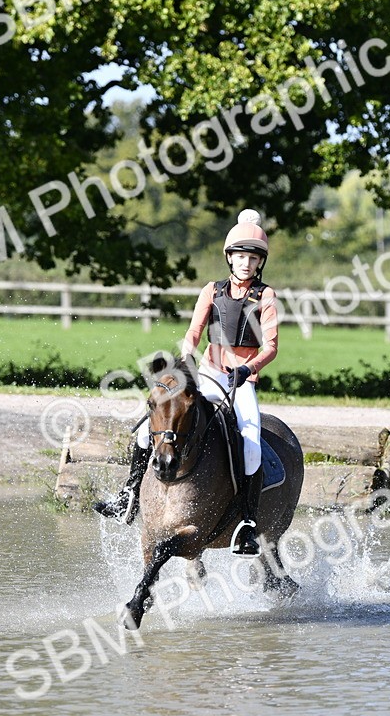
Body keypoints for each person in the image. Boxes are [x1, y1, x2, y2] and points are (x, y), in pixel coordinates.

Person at [94, 209, 279, 556]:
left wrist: (248, 368)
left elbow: (270, 346)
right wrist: (184, 361)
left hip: (241, 382)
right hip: (208, 374)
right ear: (230, 258)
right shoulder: (212, 290)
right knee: (143, 428)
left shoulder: (265, 296)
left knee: (251, 441)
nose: (245, 263)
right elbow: (193, 332)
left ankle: (247, 525)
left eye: (252, 258)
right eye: (240, 256)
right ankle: (129, 495)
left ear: (259, 263)